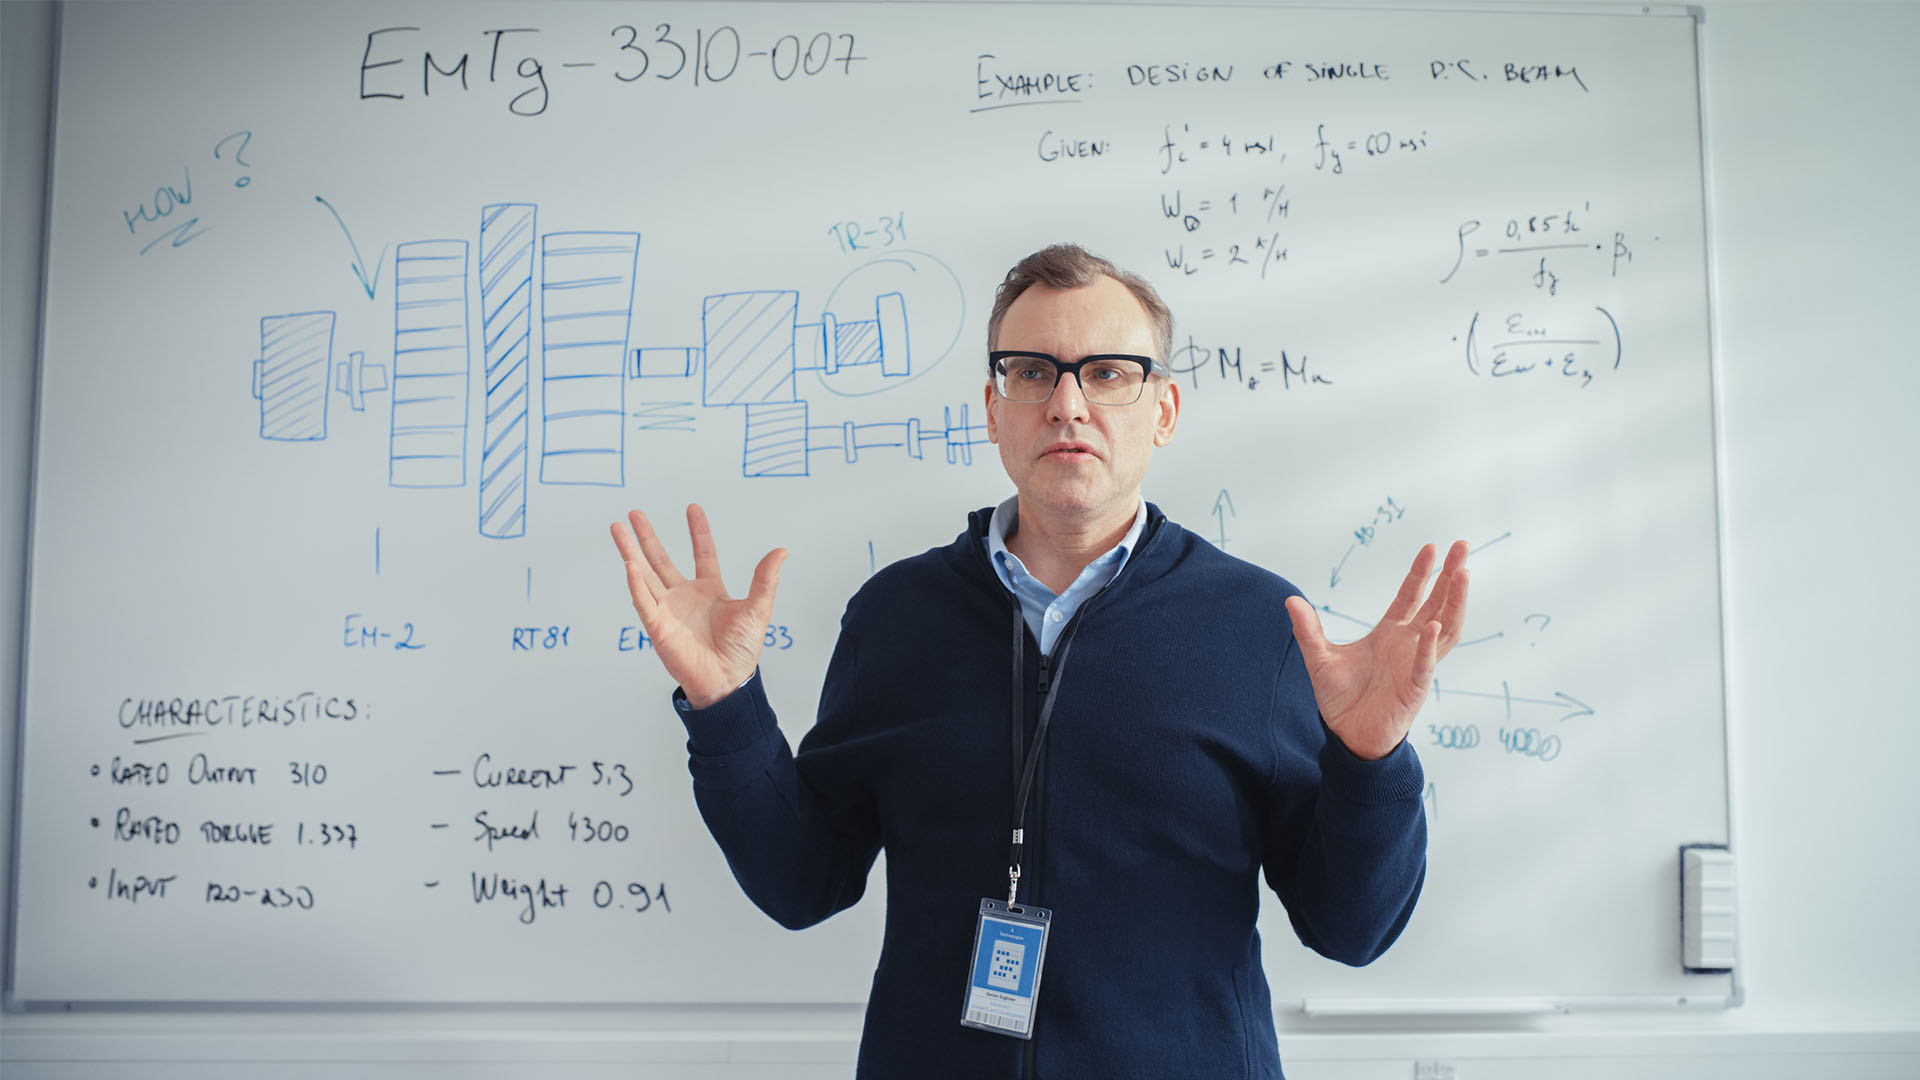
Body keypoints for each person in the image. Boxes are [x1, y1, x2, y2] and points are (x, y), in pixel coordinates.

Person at [611, 244, 1469, 1079]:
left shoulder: (1262, 626)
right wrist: (726, 707)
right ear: (992, 409)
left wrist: (1371, 761)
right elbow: (803, 884)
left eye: (1107, 372)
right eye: (1032, 371)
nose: (1067, 403)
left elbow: (1352, 931)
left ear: (1163, 411)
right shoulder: (896, 616)